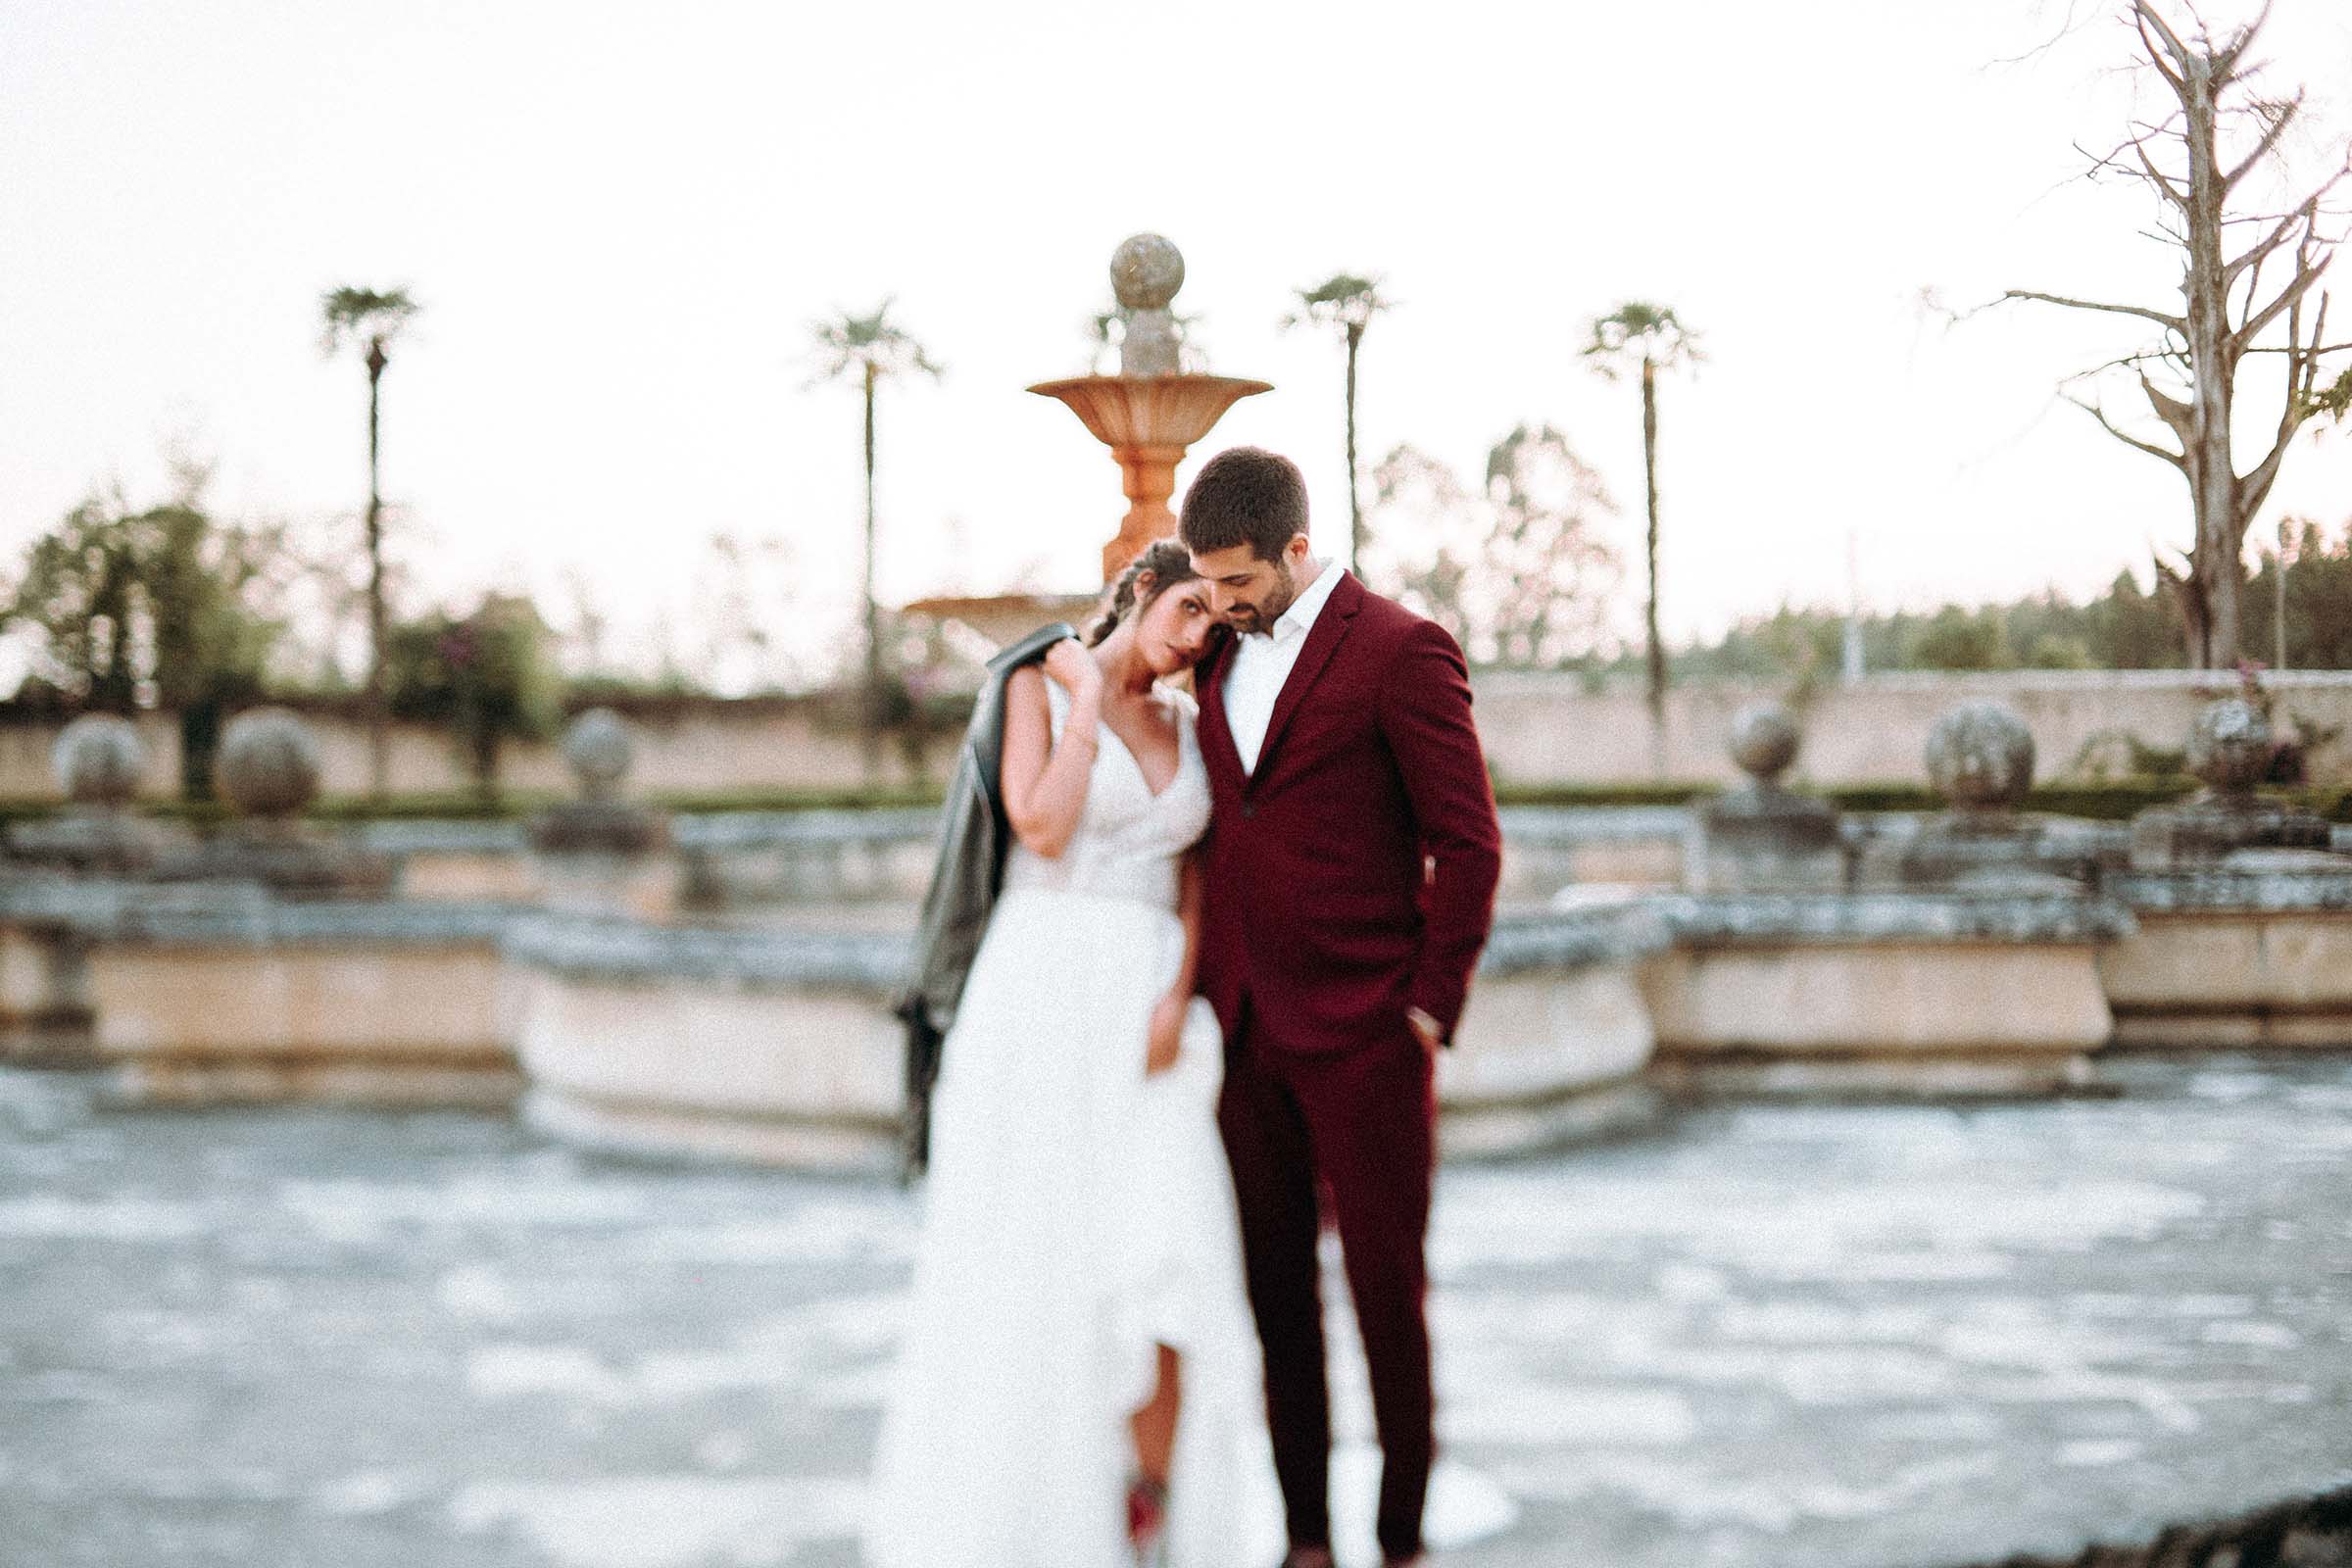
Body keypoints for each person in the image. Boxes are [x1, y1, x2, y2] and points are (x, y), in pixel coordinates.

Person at [865, 539, 1281, 1568]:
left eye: (1211, 629)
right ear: (1138, 591)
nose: (1194, 642)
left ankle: (1161, 1500)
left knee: (1173, 1246)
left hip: (1149, 1018)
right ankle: (1050, 1517)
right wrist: (1085, 699)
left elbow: (1196, 875)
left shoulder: (1193, 724)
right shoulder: (1034, 690)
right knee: (1035, 1260)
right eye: (1186, 612)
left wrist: (1178, 992)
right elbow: (1042, 828)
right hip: (1037, 1000)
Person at [1180, 447, 1503, 1568]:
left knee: (1384, 1302)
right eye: (1205, 586)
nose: (1218, 606)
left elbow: (1468, 841)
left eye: (1236, 583)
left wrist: (1427, 1007)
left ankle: (1401, 1542)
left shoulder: (1404, 651)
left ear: (1297, 552)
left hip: (1369, 1033)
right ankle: (1306, 1540)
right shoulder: (1215, 658)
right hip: (1247, 1033)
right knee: (1278, 1303)